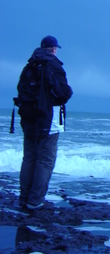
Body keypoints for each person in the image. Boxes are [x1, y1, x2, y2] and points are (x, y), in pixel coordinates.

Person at [16, 35, 73, 210]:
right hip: (48, 119)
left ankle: (25, 198)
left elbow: (21, 90)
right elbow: (64, 93)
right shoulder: (53, 65)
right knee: (45, 160)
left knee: (29, 158)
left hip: (28, 118)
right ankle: (35, 200)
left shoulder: (30, 65)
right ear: (54, 49)